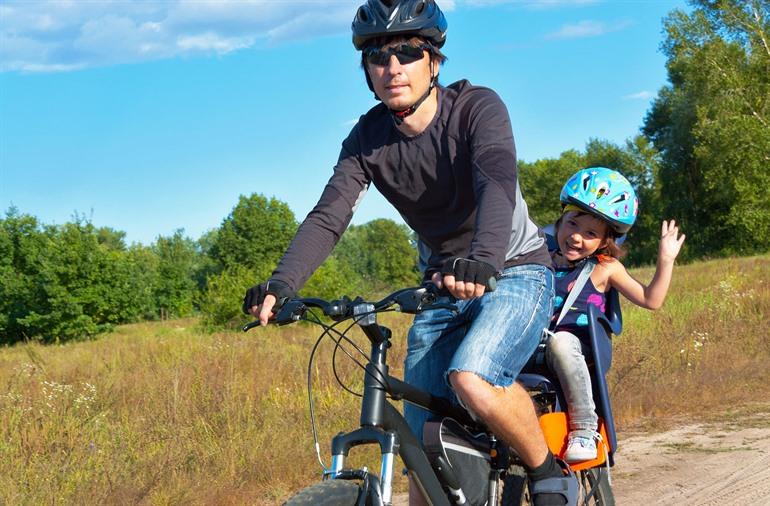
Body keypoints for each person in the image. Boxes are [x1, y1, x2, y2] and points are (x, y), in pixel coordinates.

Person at [243, 1, 575, 504]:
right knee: (421, 449)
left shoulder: (477, 108)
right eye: (378, 57)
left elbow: (496, 182)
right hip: (442, 287)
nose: (393, 66)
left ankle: (546, 469)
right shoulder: (366, 141)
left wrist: (484, 258)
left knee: (473, 377)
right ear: (367, 73)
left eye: (407, 51)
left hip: (514, 271)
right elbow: (330, 214)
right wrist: (282, 284)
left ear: (434, 62)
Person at [546, 167, 685, 462]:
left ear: (605, 241)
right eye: (572, 224)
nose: (577, 237)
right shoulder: (539, 259)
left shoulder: (606, 268)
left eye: (591, 233)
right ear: (559, 223)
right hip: (536, 341)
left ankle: (584, 428)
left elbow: (651, 299)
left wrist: (666, 259)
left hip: (581, 347)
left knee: (561, 341)